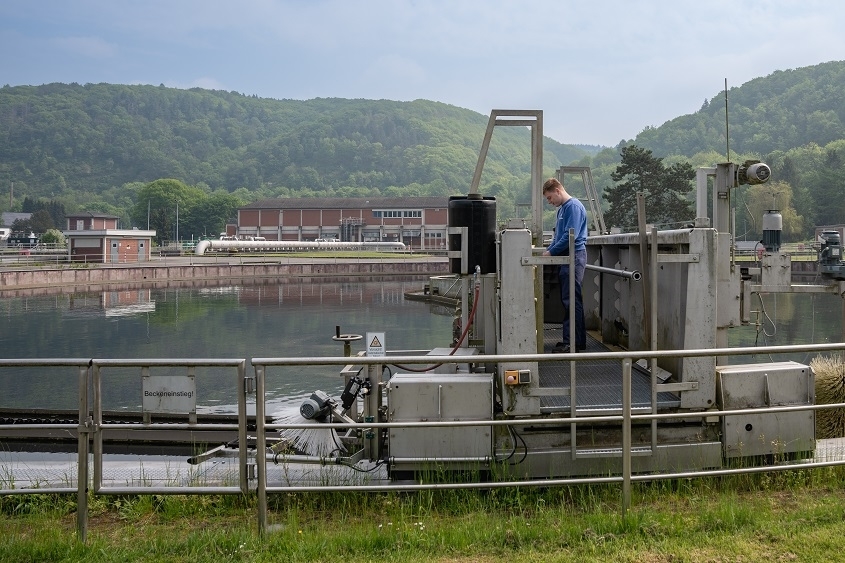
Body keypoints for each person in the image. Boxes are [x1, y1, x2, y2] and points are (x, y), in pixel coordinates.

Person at [541, 178, 588, 353]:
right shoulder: (563, 209)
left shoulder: (573, 207)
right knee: (570, 300)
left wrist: (550, 253)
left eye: (549, 197)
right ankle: (575, 340)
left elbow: (571, 236)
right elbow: (558, 238)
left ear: (558, 191)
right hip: (567, 257)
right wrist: (548, 251)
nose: (550, 202)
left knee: (571, 301)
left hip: (574, 257)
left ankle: (573, 343)